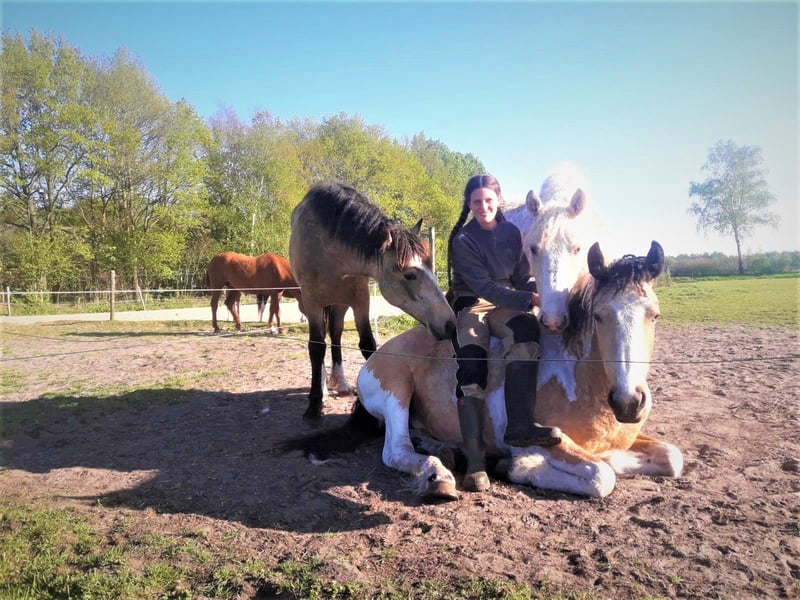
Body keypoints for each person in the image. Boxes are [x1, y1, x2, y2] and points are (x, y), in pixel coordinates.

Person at [447, 173, 561, 492]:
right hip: (473, 303)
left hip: (506, 301)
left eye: (488, 200)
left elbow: (522, 274)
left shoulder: (511, 232)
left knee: (526, 330)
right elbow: (484, 287)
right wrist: (528, 299)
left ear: (498, 201)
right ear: (469, 204)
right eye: (476, 202)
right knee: (471, 364)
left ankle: (520, 425)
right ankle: (475, 462)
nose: (483, 207)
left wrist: (539, 291)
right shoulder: (463, 241)